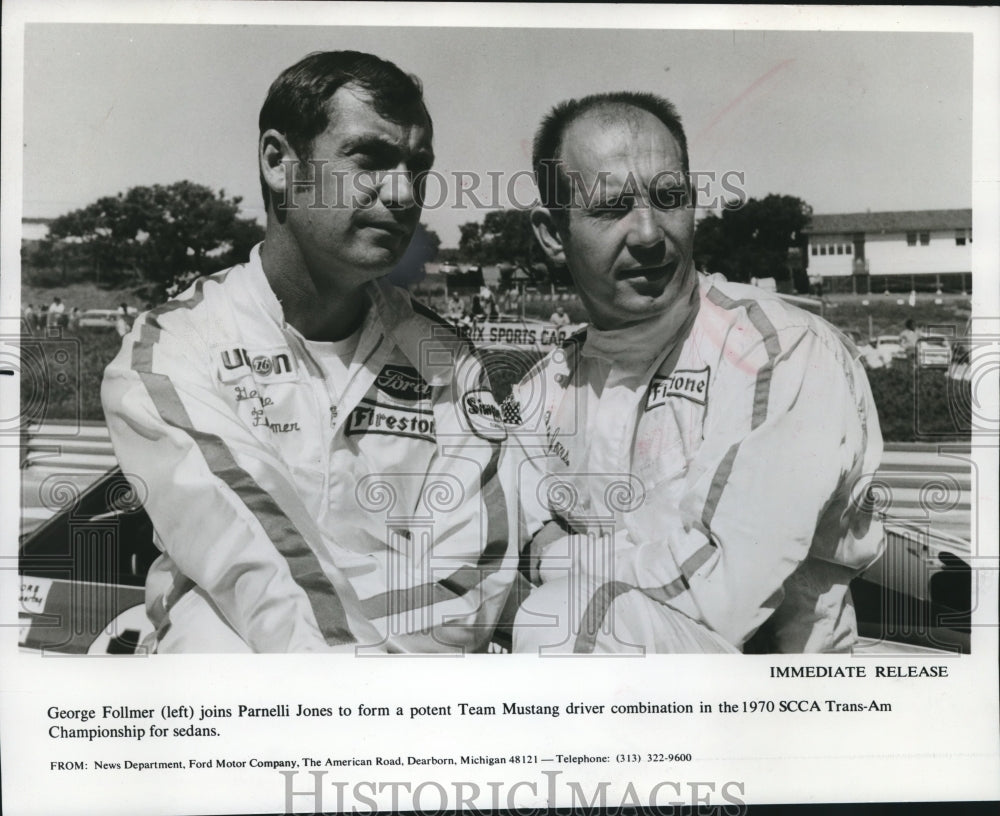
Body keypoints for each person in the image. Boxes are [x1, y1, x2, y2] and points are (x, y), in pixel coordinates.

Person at [102, 51, 517, 654]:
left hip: (406, 705)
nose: (403, 192)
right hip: (249, 698)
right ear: (279, 164)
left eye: (418, 167)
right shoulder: (173, 349)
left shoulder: (448, 360)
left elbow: (468, 590)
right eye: (370, 159)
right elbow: (262, 571)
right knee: (212, 632)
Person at [506, 91, 884, 654]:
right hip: (619, 700)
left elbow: (718, 597)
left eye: (669, 198)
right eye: (611, 208)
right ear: (552, 233)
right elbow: (487, 558)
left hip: (777, 696)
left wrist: (549, 554)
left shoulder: (777, 350)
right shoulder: (540, 387)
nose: (650, 233)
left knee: (559, 619)